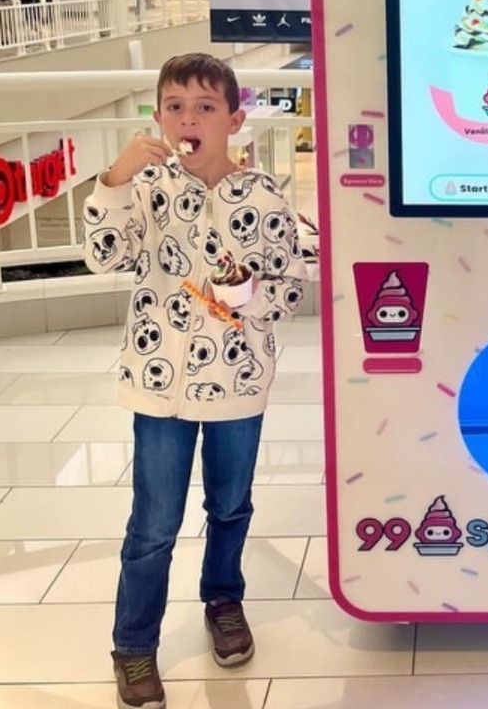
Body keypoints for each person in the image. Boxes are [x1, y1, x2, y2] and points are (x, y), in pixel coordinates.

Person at [82, 52, 308, 709]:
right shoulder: (147, 187)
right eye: (176, 106)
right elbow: (104, 257)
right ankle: (133, 645)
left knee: (231, 505)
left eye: (206, 107)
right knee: (153, 523)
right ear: (158, 116)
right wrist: (115, 179)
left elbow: (288, 292)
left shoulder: (264, 194)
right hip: (159, 387)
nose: (189, 119)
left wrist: (243, 292)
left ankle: (224, 599)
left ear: (235, 119)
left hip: (238, 382)